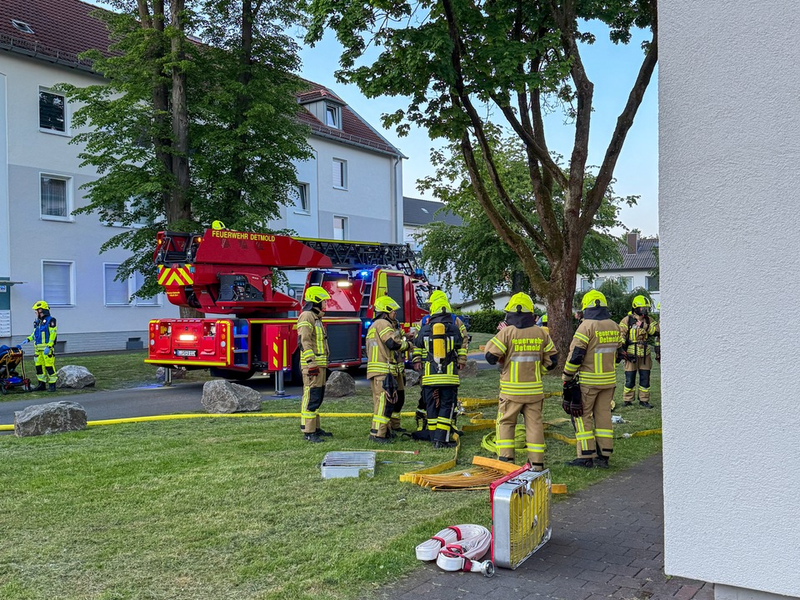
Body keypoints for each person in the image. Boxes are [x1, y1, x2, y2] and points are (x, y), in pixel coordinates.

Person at [484, 293, 558, 470]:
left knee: (506, 424)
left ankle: (506, 462)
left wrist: (503, 360)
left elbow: (490, 357)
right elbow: (553, 361)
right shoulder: (541, 333)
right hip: (534, 392)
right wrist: (537, 372)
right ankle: (537, 464)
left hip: (511, 392)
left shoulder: (507, 333)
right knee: (534, 426)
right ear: (530, 314)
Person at [562, 290, 621, 468]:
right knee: (604, 416)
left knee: (581, 416)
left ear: (586, 308)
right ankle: (604, 455)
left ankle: (585, 456)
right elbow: (617, 353)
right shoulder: (614, 325)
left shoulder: (586, 326)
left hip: (589, 381)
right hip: (609, 381)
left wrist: (567, 376)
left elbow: (576, 355)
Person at [412, 291, 465, 448]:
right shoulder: (455, 329)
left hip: (429, 376)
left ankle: (434, 437)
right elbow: (460, 343)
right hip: (448, 376)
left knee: (430, 406)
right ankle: (441, 440)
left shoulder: (425, 328)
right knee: (446, 406)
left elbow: (418, 343)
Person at [366, 296, 412, 443]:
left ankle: (385, 431)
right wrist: (408, 345)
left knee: (383, 402)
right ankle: (378, 434)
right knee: (384, 403)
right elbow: (392, 343)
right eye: (392, 311)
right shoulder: (383, 323)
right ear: (385, 311)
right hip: (383, 370)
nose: (394, 313)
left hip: (379, 370)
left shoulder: (376, 325)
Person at [297, 285, 332, 443]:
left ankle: (315, 428)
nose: (326, 304)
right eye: (324, 301)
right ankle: (309, 432)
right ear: (316, 301)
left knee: (317, 396)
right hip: (312, 365)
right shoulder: (307, 316)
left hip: (319, 365)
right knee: (311, 396)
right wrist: (311, 362)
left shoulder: (316, 318)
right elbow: (304, 341)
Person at [618, 295, 660, 409]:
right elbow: (621, 333)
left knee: (645, 378)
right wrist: (622, 350)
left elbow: (657, 331)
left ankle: (644, 400)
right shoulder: (627, 320)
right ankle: (627, 400)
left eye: (646, 308)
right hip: (631, 353)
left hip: (645, 354)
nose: (644, 310)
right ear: (635, 308)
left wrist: (644, 326)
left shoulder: (648, 320)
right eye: (642, 308)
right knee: (630, 378)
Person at [18, 301, 58, 392]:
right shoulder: (37, 322)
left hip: (46, 349)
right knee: (39, 368)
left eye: (36, 310)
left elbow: (53, 334)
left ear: (41, 310)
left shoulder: (51, 320)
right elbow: (34, 333)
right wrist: (28, 339)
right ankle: (41, 384)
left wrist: (49, 346)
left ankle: (52, 385)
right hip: (37, 350)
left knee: (49, 367)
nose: (35, 312)